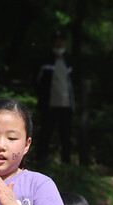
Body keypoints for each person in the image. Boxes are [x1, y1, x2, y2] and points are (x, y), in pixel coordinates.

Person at [35, 31, 74, 163]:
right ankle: (42, 162)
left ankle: (66, 163)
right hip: (49, 105)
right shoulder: (45, 60)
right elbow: (37, 81)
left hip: (66, 104)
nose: (60, 43)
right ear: (52, 42)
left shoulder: (68, 61)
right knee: (45, 133)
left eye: (62, 40)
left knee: (66, 136)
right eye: (57, 40)